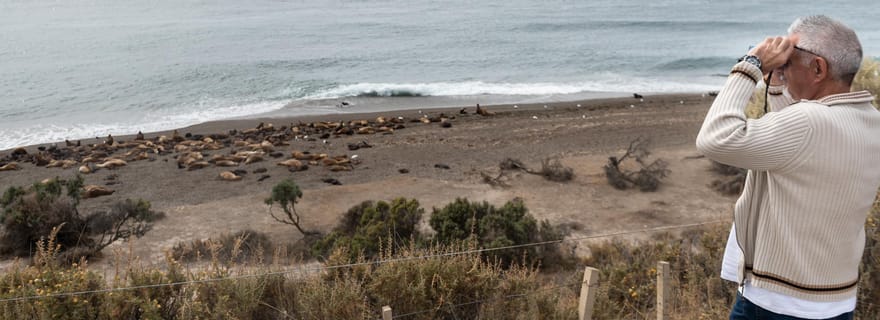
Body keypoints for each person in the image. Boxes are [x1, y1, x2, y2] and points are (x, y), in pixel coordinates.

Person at [695, 15, 880, 319]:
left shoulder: (809, 122)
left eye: (788, 61)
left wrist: (750, 65)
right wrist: (780, 86)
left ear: (818, 68)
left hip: (777, 304)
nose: (780, 65)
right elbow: (795, 152)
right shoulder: (869, 120)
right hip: (836, 300)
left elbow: (715, 139)